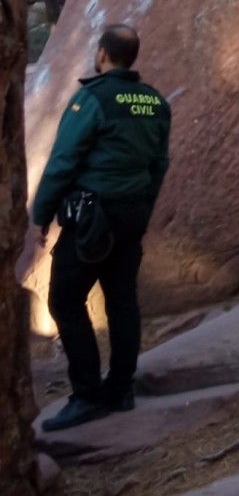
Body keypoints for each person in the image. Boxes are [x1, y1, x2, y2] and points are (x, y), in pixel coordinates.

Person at [33, 24, 172, 431]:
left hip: (93, 217)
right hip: (132, 214)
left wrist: (42, 212)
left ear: (102, 54)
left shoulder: (92, 99)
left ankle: (88, 395)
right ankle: (121, 389)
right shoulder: (155, 102)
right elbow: (159, 164)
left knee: (65, 300)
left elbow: (64, 160)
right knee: (122, 299)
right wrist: (143, 206)